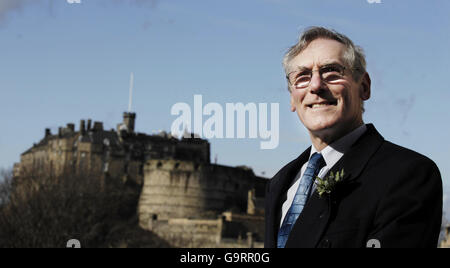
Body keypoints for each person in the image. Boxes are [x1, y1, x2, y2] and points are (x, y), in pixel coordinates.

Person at [264, 26, 443, 248]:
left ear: (364, 87)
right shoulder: (280, 182)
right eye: (302, 77)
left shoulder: (409, 174)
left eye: (331, 72)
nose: (316, 85)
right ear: (292, 98)